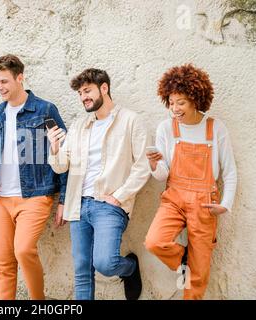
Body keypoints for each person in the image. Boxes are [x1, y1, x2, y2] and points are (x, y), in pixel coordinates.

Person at [0, 54, 68, 300]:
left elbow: (64, 153)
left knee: (23, 250)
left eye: (4, 82)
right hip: (2, 198)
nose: (0, 87)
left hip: (36, 195)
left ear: (20, 78)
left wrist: (63, 199)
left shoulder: (44, 109)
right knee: (2, 261)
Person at [47, 68, 150, 300]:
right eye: (80, 93)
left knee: (105, 263)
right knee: (82, 270)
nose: (83, 97)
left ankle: (129, 268)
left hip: (110, 204)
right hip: (78, 205)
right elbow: (61, 166)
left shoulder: (131, 121)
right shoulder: (79, 126)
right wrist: (54, 147)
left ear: (104, 88)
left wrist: (119, 197)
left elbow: (143, 166)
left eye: (87, 91)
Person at [144, 64, 237, 300]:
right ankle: (184, 259)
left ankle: (193, 267)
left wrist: (225, 205)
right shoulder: (166, 128)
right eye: (171, 102)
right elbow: (163, 174)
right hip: (174, 198)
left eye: (181, 102)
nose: (174, 108)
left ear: (196, 99)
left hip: (205, 203)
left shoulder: (215, 128)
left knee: (198, 277)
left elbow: (230, 172)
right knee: (155, 241)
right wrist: (155, 164)